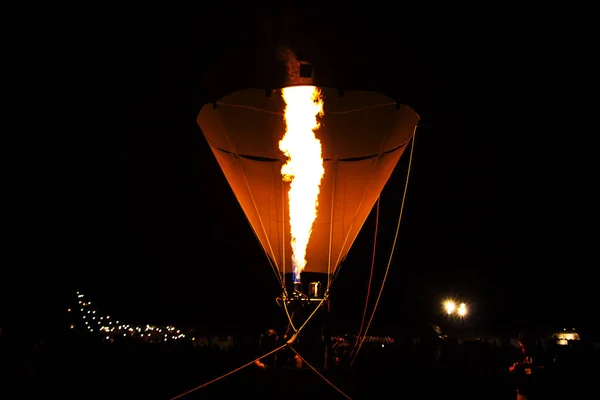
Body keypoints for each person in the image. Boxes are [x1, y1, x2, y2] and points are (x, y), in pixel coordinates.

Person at [509, 332, 542, 400]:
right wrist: (514, 367)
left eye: (525, 341)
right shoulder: (516, 354)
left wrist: (532, 367)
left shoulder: (535, 353)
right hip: (521, 391)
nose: (522, 343)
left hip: (534, 389)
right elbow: (509, 369)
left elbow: (542, 368)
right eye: (521, 341)